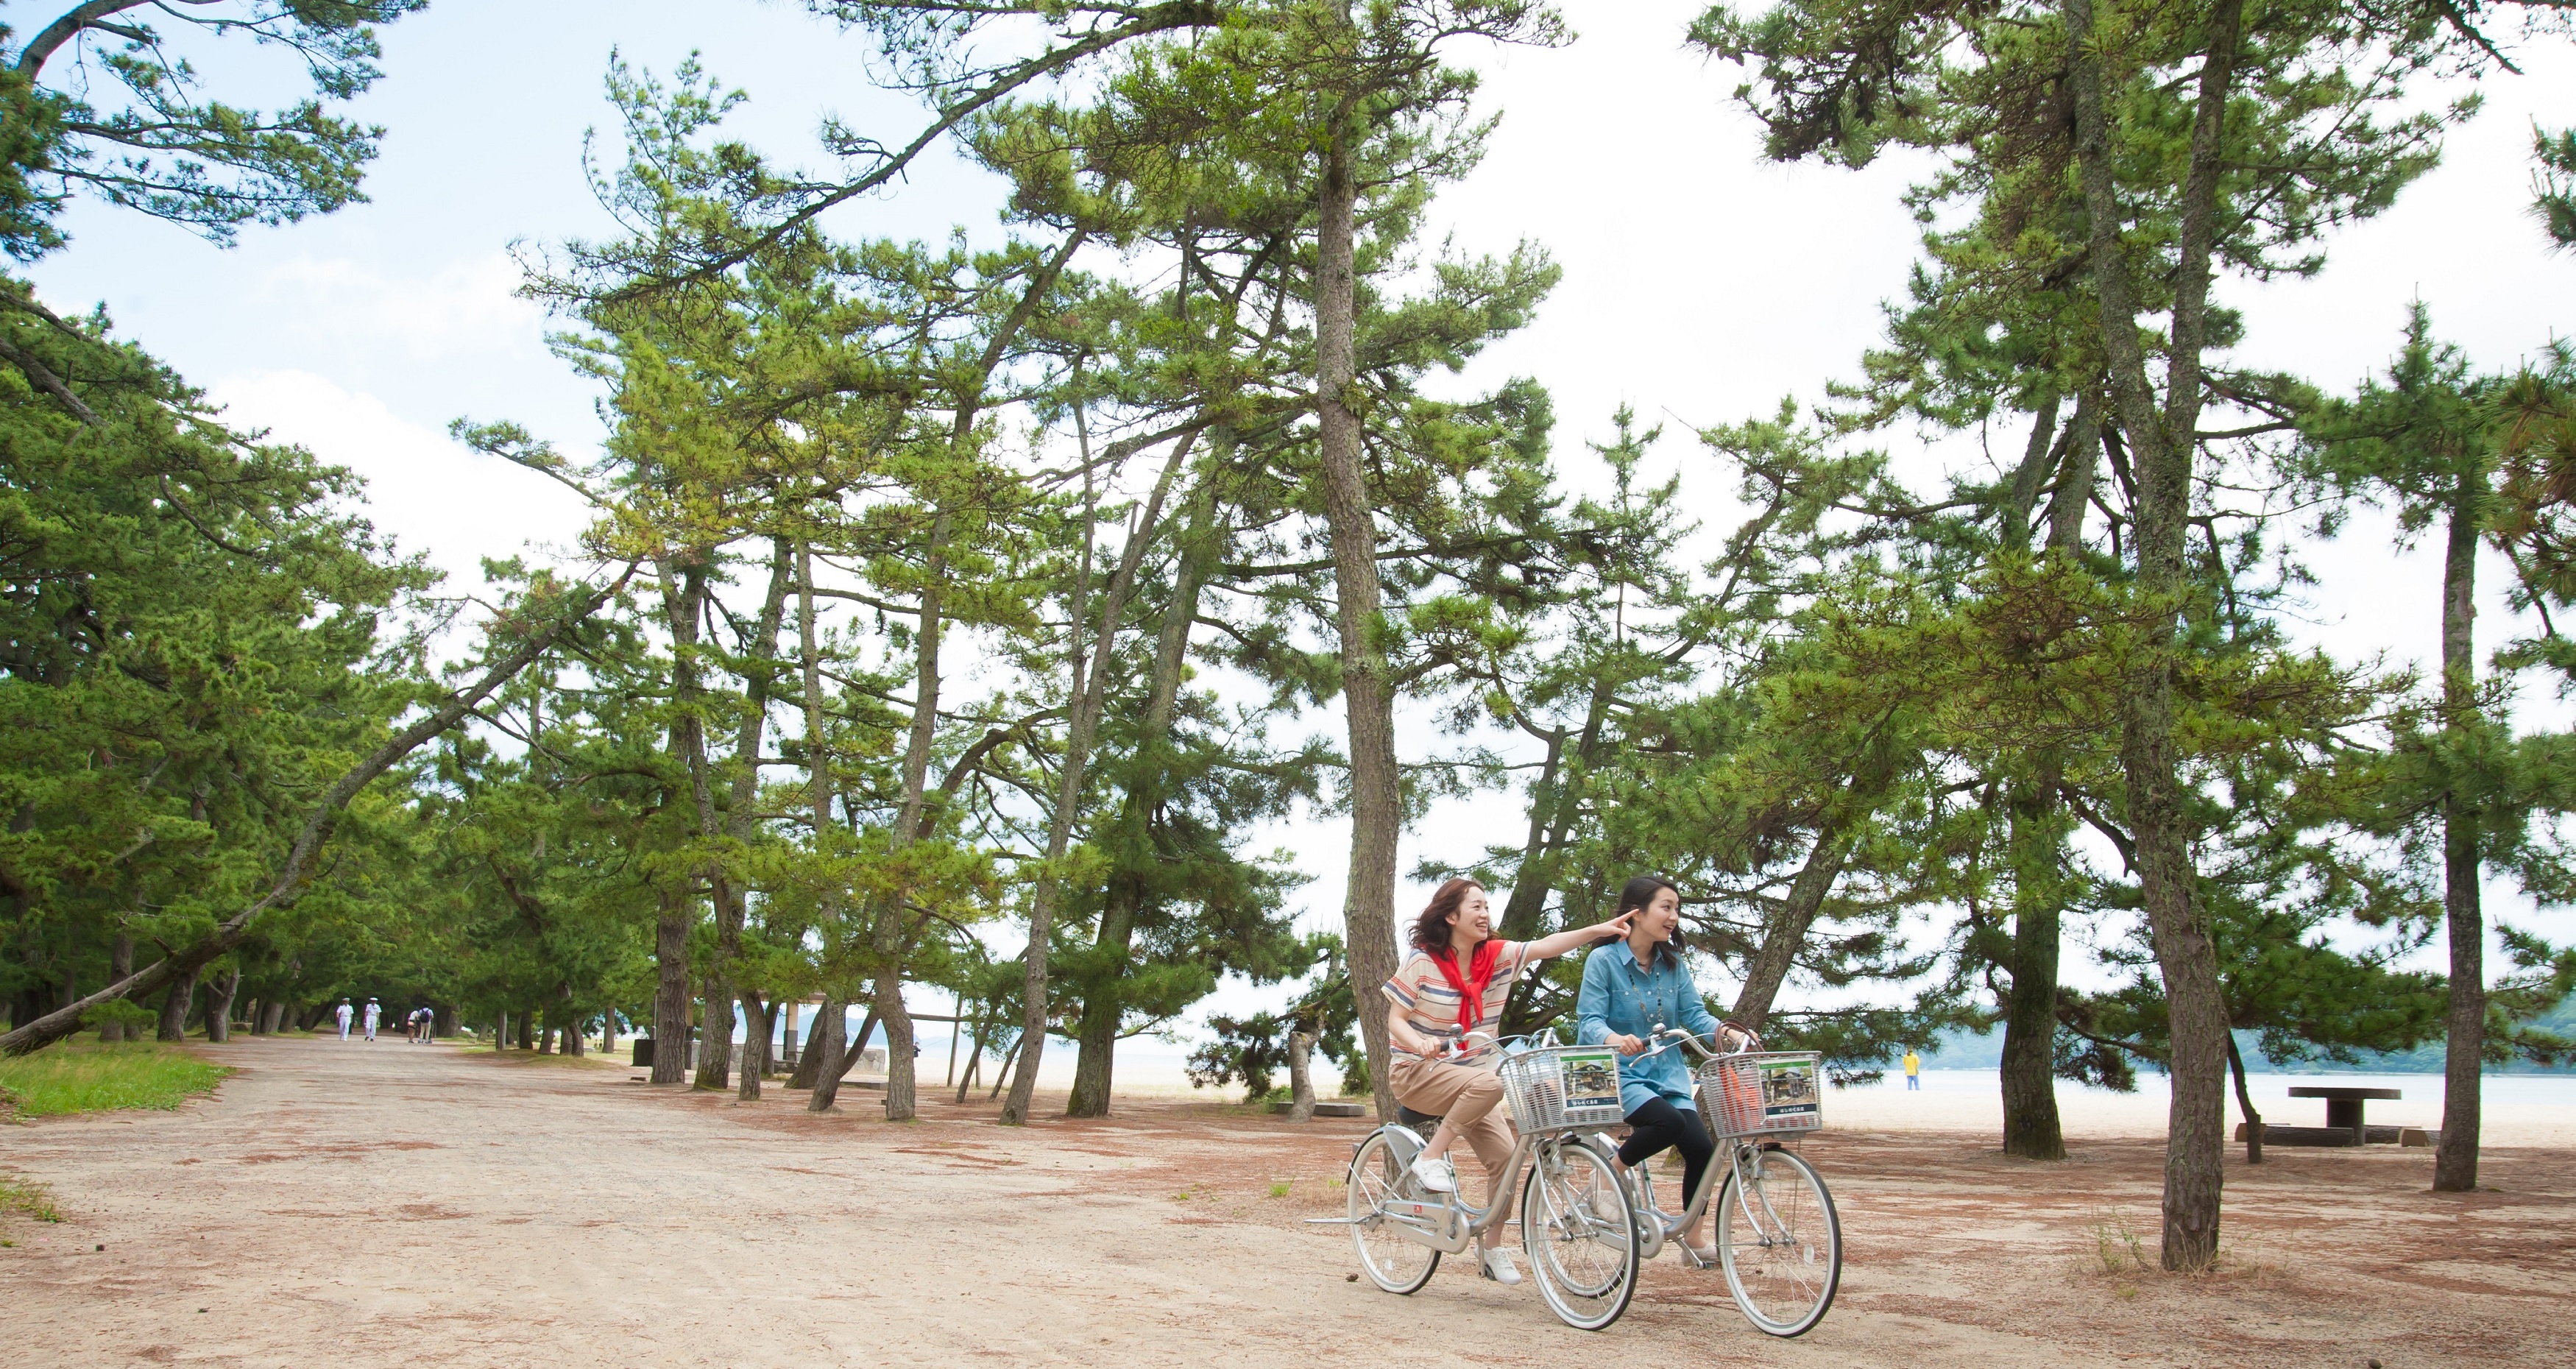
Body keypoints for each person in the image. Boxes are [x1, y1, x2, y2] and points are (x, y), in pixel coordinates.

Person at [1383, 876, 1633, 1286]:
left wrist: (1599, 930)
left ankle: (1492, 1248)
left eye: (1486, 906)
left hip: (1474, 1076)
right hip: (1417, 1071)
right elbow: (1396, 1020)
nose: (1485, 914)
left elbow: (1546, 945)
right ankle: (1429, 1160)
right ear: (1451, 916)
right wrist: (1421, 1043)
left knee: (1506, 1159)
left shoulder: (1495, 958)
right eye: (1476, 907)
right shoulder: (1422, 962)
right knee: (1491, 1085)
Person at [1576, 874, 1744, 1264]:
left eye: (1677, 909)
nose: (1673, 917)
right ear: (1637, 913)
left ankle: (1693, 1238)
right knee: (1669, 1124)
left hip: (1667, 1072)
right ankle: (1607, 1175)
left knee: (1702, 1148)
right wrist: (1616, 1040)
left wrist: (1728, 1033)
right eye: (1666, 907)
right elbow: (1589, 1021)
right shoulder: (1602, 961)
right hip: (1621, 1071)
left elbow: (1694, 1015)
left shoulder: (1673, 964)